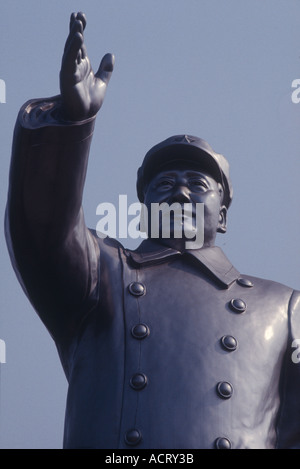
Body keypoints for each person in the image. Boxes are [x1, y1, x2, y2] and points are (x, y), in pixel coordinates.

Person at [5, 12, 300, 450]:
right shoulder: (102, 276)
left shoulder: (281, 306)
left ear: (222, 216)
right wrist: (70, 120)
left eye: (198, 186)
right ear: (143, 212)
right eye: (164, 185)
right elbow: (41, 229)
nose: (180, 194)